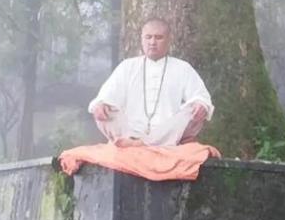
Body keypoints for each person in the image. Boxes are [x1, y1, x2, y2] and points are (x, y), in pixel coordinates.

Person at [88, 19, 214, 147]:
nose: (152, 42)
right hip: (129, 131)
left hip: (168, 131)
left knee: (193, 111)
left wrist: (200, 105)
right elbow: (106, 96)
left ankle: (141, 144)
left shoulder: (183, 68)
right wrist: (101, 104)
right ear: (142, 39)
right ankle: (137, 141)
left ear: (169, 41)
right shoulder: (127, 66)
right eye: (148, 37)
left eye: (158, 38)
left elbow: (201, 96)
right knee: (103, 109)